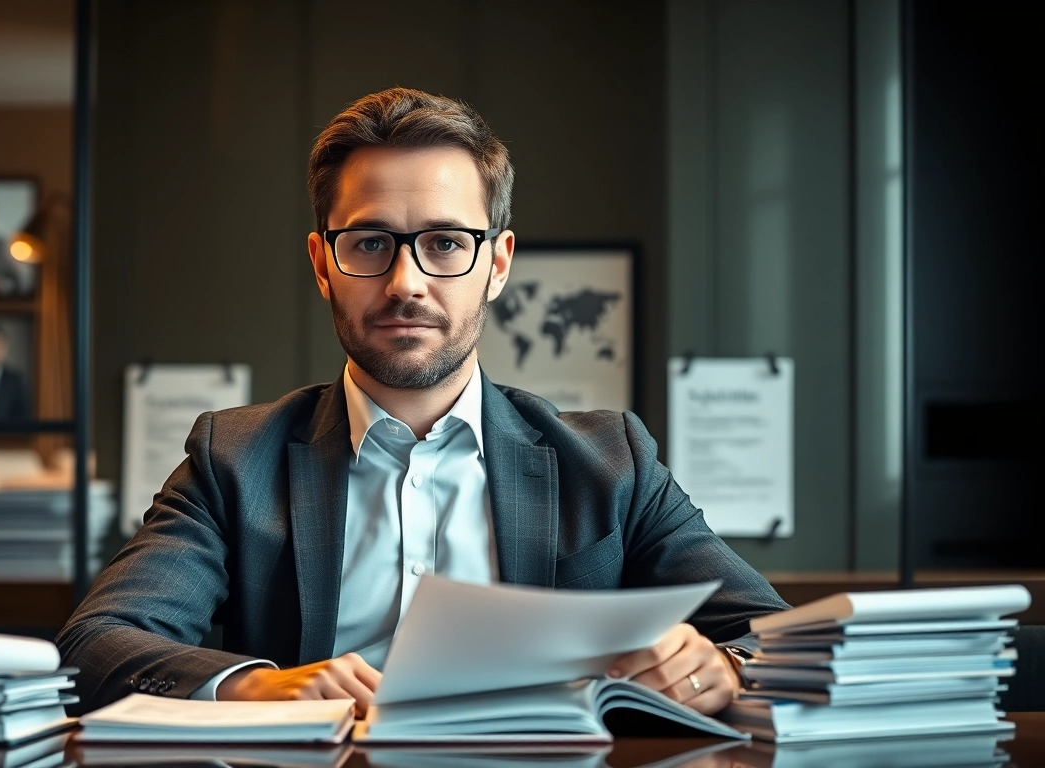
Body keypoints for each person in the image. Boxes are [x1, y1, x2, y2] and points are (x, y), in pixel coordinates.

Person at [58, 88, 788, 718]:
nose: (406, 282)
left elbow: (772, 635)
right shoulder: (232, 460)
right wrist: (255, 687)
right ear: (322, 264)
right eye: (371, 243)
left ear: (497, 265)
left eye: (444, 243)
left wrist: (722, 668)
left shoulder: (611, 461)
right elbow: (95, 645)